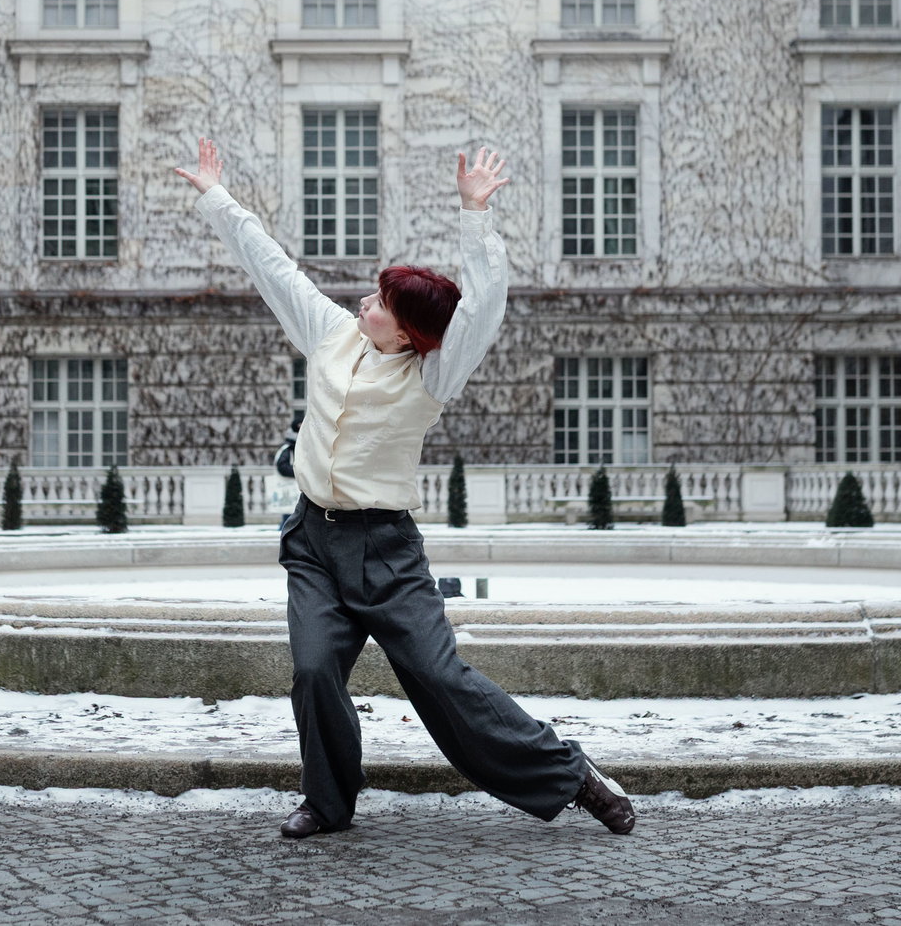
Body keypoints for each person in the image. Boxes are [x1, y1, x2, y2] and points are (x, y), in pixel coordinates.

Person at [175, 136, 635, 839]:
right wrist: (216, 196)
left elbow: (481, 312)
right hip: (314, 543)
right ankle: (329, 801)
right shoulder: (331, 332)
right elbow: (271, 265)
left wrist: (474, 214)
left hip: (386, 550)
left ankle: (573, 776)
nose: (367, 300)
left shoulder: (430, 376)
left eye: (384, 301)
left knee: (441, 679)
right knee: (312, 670)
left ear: (411, 333)